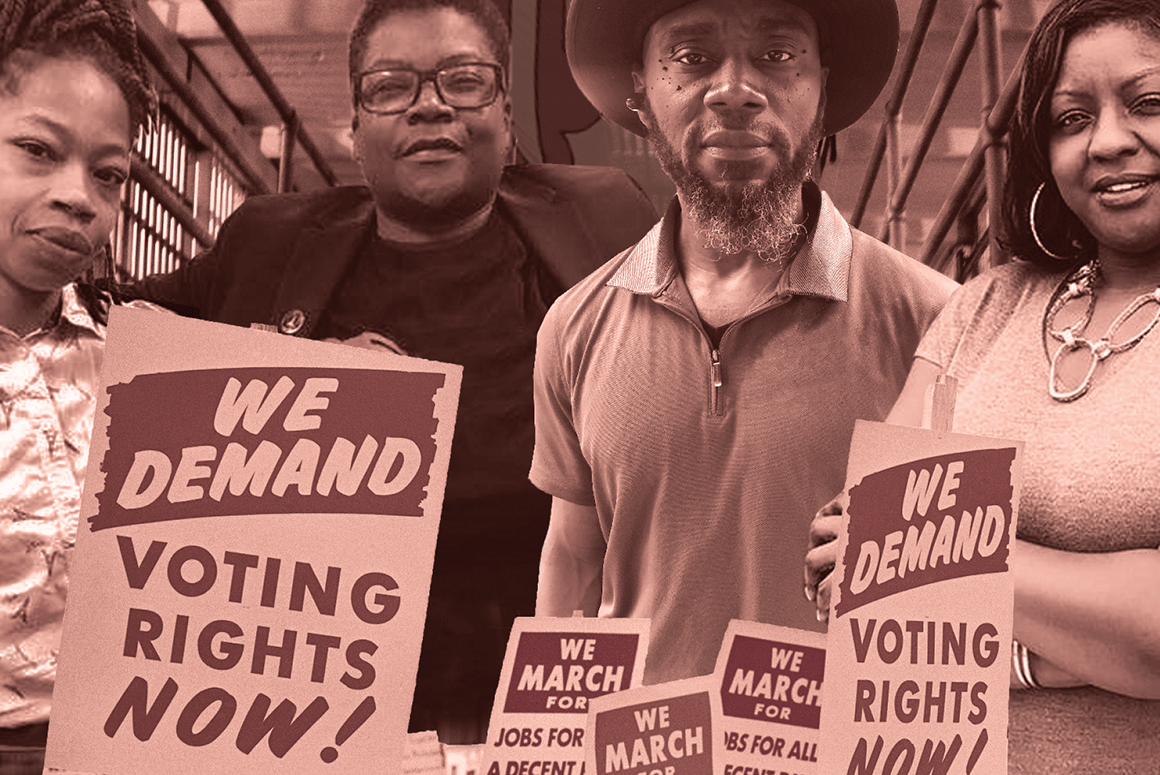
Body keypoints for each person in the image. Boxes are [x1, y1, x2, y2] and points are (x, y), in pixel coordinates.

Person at [129, 0, 657, 743]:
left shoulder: (609, 220)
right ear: (352, 129)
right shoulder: (266, 245)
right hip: (318, 715)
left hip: (556, 709)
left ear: (506, 118)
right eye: (390, 87)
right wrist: (288, 386)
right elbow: (100, 330)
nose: (430, 105)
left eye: (465, 81)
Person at [532, 0, 958, 685]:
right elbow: (575, 558)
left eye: (778, 56)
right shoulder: (574, 325)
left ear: (822, 86)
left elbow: (960, 596)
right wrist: (545, 742)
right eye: (693, 59)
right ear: (641, 91)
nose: (735, 90)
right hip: (640, 755)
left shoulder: (939, 323)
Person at [804, 0, 1160, 769]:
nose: (1107, 141)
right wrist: (1074, 652)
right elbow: (851, 583)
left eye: (1149, 103)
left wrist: (939, 554)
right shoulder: (987, 304)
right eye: (1070, 119)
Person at [0, 0, 156, 770]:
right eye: (36, 148)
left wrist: (327, 387)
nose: (79, 196)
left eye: (109, 174)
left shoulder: (143, 366)